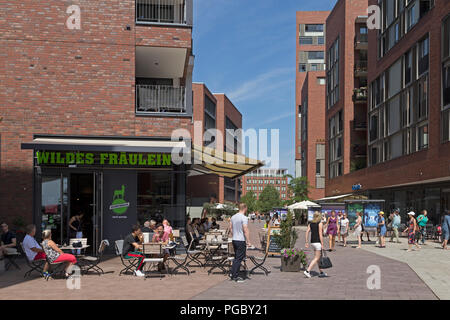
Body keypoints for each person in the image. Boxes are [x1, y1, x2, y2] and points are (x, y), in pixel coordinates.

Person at [230, 203, 252, 283]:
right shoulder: (244, 217)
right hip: (240, 240)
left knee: (236, 257)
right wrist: (248, 241)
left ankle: (233, 273)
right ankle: (235, 276)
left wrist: (234, 235)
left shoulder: (233, 217)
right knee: (239, 259)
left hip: (234, 239)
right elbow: (245, 229)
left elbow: (230, 228)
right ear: (245, 208)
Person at [304, 212, 327, 278]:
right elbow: (320, 235)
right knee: (316, 258)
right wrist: (322, 244)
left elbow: (307, 232)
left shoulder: (310, 224)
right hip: (317, 242)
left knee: (318, 258)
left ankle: (321, 272)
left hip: (312, 242)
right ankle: (307, 271)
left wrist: (306, 242)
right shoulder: (319, 224)